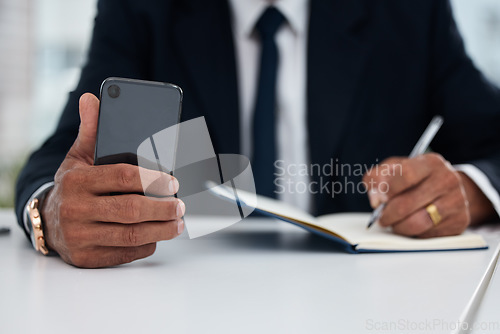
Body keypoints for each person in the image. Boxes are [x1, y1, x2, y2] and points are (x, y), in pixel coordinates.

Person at [16, 0, 500, 268]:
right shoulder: (142, 10)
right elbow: (60, 160)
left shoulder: (411, 12)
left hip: (365, 288)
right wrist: (49, 217)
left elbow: (491, 138)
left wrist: (469, 191)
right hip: (188, 289)